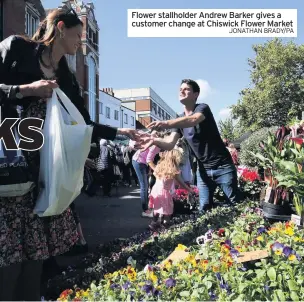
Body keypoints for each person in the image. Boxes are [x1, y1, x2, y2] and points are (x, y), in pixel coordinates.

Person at [0, 8, 139, 301]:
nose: (80, 42)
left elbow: (83, 123)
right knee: (10, 256)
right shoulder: (16, 48)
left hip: (46, 172)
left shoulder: (66, 75)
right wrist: (26, 90)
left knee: (36, 255)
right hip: (11, 162)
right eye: (78, 35)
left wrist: (121, 133)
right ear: (61, 28)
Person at [138, 79, 239, 212]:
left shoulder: (202, 108)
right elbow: (169, 144)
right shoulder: (178, 119)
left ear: (196, 94)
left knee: (235, 205)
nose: (182, 91)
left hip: (223, 166)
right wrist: (154, 141)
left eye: (186, 89)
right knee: (204, 208)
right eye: (180, 89)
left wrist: (166, 123)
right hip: (203, 170)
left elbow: (193, 119)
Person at [148, 149, 193, 230]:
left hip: (155, 190)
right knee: (167, 210)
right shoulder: (174, 170)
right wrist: (189, 189)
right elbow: (181, 183)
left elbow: (149, 162)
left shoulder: (160, 166)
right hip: (165, 192)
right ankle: (166, 224)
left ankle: (154, 223)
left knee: (157, 208)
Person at [132, 130, 163, 218]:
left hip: (142, 162)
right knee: (144, 186)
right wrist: (157, 171)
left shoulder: (155, 143)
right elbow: (149, 159)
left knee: (146, 185)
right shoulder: (156, 145)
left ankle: (147, 207)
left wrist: (150, 170)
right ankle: (145, 210)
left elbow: (150, 158)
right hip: (138, 162)